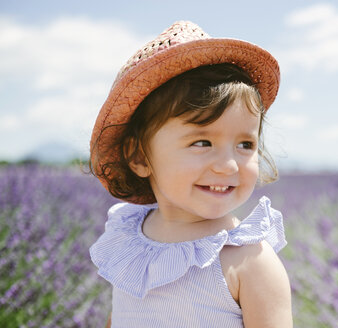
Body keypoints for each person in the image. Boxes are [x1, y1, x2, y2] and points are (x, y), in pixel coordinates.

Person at [88, 21, 292, 327]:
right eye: (202, 142)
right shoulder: (128, 240)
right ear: (139, 156)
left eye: (245, 144)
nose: (228, 165)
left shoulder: (248, 261)